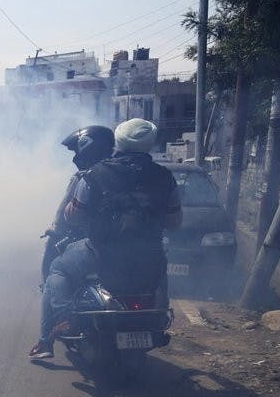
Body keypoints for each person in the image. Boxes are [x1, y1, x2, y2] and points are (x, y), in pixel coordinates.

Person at [29, 118, 181, 360]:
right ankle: (158, 317)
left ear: (119, 141)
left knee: (58, 270)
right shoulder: (165, 177)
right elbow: (174, 223)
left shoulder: (95, 175)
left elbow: (75, 218)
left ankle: (65, 322)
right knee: (159, 271)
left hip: (100, 254)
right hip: (149, 256)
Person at [40, 125, 115, 285]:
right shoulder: (119, 173)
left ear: (89, 149)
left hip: (91, 244)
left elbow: (66, 216)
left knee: (54, 272)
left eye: (77, 152)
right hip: (127, 246)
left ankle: (56, 307)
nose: (75, 158)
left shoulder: (86, 177)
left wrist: (55, 232)